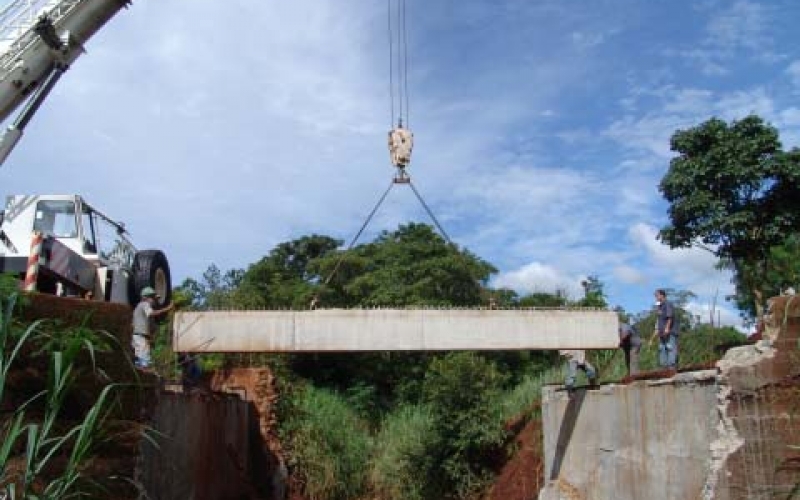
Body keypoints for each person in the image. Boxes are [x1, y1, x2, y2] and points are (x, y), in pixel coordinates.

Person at [131, 286, 174, 371]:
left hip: (138, 336)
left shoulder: (138, 307)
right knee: (145, 362)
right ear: (145, 298)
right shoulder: (144, 304)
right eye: (152, 298)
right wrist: (168, 308)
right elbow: (152, 313)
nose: (153, 300)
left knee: (140, 361)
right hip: (140, 336)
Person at [654, 289, 679, 370]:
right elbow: (659, 319)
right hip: (662, 333)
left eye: (657, 295)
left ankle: (671, 367)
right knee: (662, 349)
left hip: (670, 332)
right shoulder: (660, 306)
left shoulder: (667, 304)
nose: (656, 297)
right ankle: (664, 367)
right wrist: (657, 330)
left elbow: (670, 317)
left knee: (670, 348)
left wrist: (667, 328)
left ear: (662, 295)